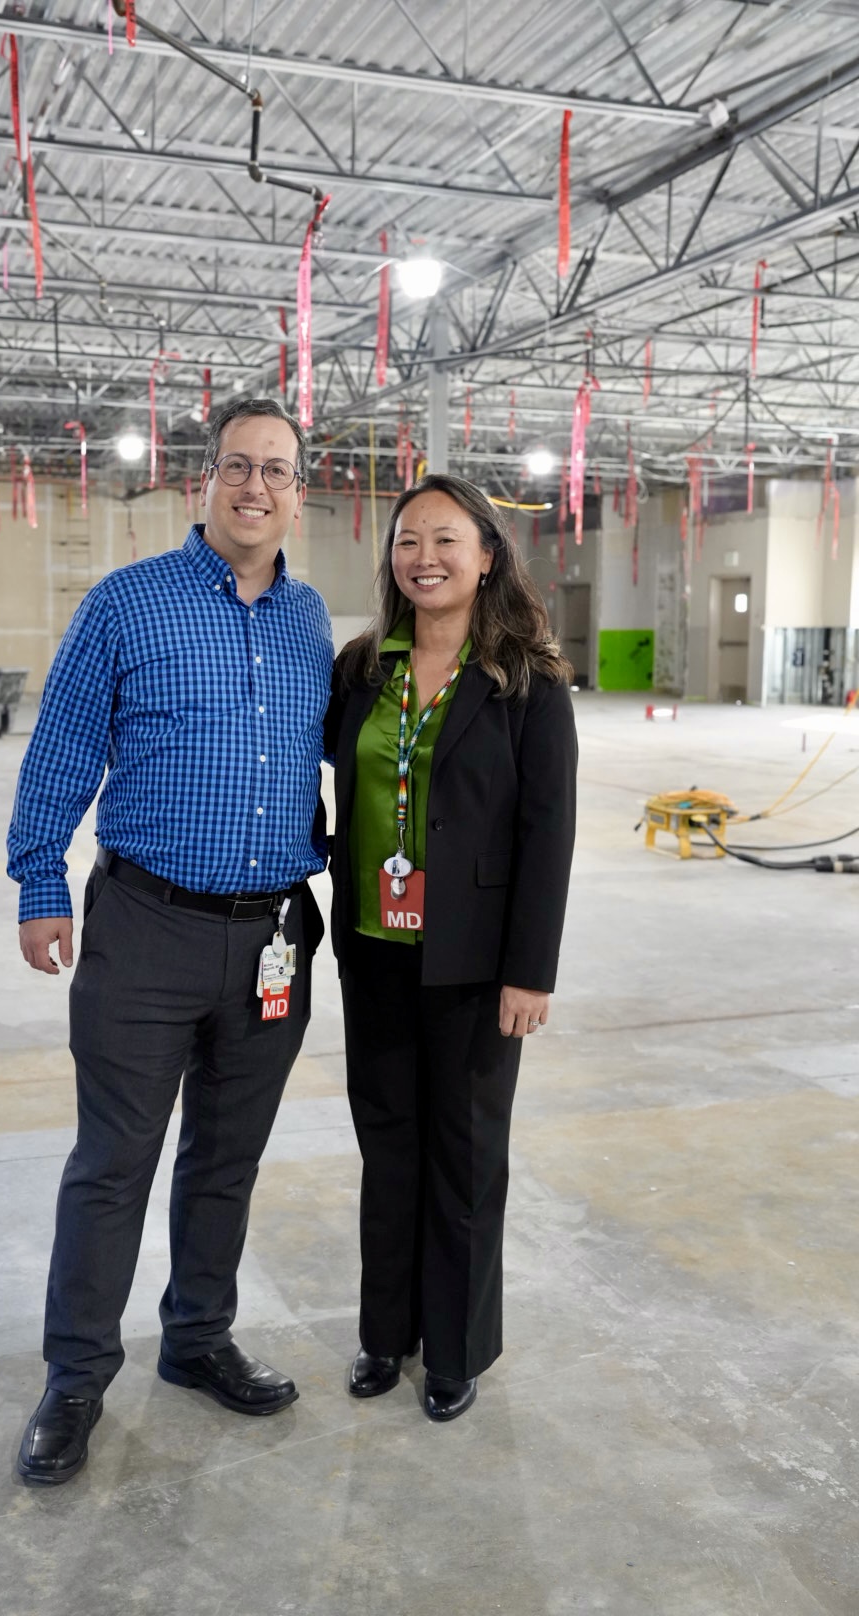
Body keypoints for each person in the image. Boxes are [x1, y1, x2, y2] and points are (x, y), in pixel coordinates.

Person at [7, 397, 332, 1484]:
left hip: (274, 933)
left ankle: (196, 1338)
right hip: (146, 927)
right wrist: (37, 881)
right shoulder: (126, 603)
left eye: (275, 470)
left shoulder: (309, 618)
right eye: (237, 466)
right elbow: (59, 750)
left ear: (301, 488)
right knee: (112, 1164)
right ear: (206, 479)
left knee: (225, 1159)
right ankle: (75, 1377)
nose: (255, 487)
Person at [325, 472, 577, 1423]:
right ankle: (385, 1335)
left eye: (444, 541)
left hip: (476, 965)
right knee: (387, 1147)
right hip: (374, 945)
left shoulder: (526, 679)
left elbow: (546, 833)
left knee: (465, 1157)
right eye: (405, 541)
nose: (422, 558)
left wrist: (530, 972)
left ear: (485, 556)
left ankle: (457, 1350)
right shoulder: (363, 670)